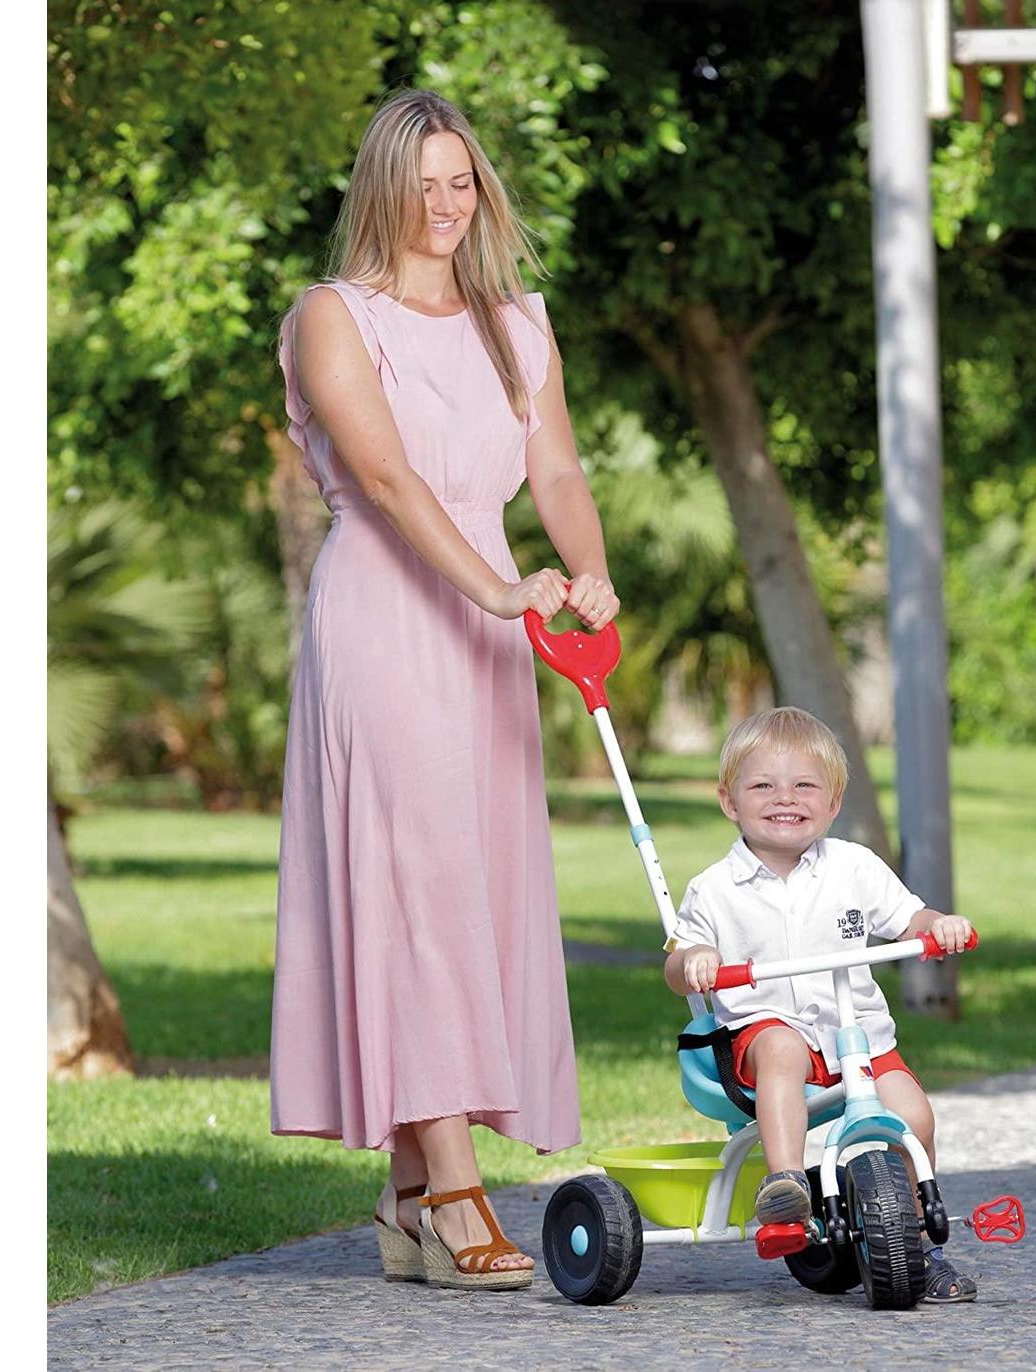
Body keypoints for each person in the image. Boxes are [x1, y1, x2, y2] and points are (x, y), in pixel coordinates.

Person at [269, 87, 619, 1292]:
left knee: (470, 886)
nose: (444, 204)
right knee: (413, 886)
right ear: (382, 190)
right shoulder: (333, 316)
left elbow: (555, 468)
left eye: (460, 181)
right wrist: (495, 587)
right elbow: (386, 477)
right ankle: (458, 1190)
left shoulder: (519, 325)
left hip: (496, 623)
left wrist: (588, 576)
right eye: (421, 184)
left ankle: (411, 1196)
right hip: (389, 611)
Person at [663, 707, 978, 1303]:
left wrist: (938, 926)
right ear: (730, 801)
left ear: (833, 803)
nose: (785, 798)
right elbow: (678, 964)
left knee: (915, 1119)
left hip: (855, 1038)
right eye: (764, 785)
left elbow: (909, 918)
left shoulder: (854, 867)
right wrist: (696, 959)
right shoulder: (714, 889)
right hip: (764, 1034)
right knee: (781, 1046)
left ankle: (920, 1248)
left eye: (805, 785)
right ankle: (786, 1189)